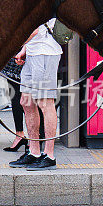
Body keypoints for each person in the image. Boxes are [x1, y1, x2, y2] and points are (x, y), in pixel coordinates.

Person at [9, 20, 63, 170]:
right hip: (33, 53)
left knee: (45, 103)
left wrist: (11, 46)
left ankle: (49, 155)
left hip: (46, 53)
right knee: (26, 102)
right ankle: (34, 152)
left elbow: (34, 30)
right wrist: (24, 50)